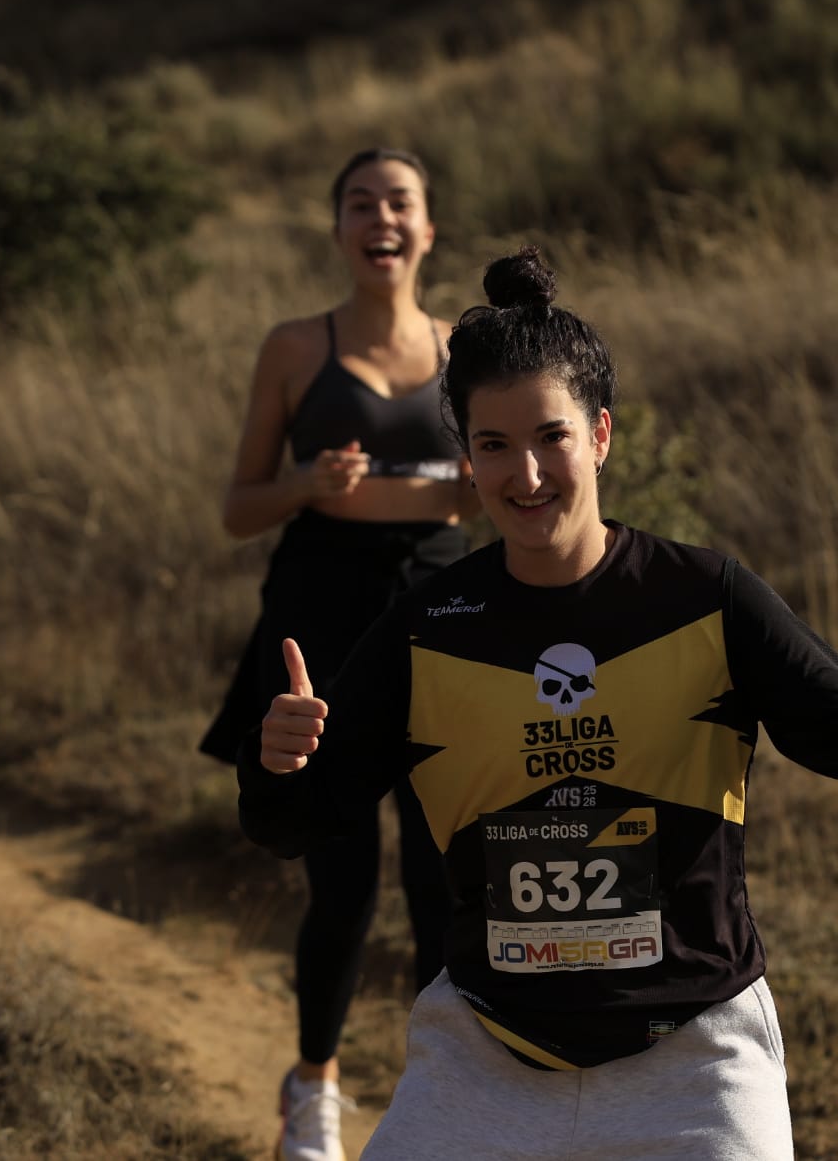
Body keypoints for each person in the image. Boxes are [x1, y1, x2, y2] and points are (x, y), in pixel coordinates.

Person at [239, 248, 838, 1160]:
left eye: (551, 437)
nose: (525, 476)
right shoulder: (427, 628)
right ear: (466, 454)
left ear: (602, 434)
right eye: (493, 445)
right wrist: (280, 761)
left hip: (694, 1054)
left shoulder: (706, 597)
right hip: (485, 1052)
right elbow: (294, 821)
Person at [199, 149, 474, 1161]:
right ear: (338, 231)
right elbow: (237, 509)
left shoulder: (465, 349)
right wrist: (306, 481)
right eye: (360, 204)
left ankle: (439, 1099)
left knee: (442, 879)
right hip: (321, 616)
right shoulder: (292, 346)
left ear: (428, 228)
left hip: (440, 615)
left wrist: (480, 495)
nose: (381, 219)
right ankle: (312, 1084)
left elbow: (504, 486)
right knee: (344, 878)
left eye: (400, 202)